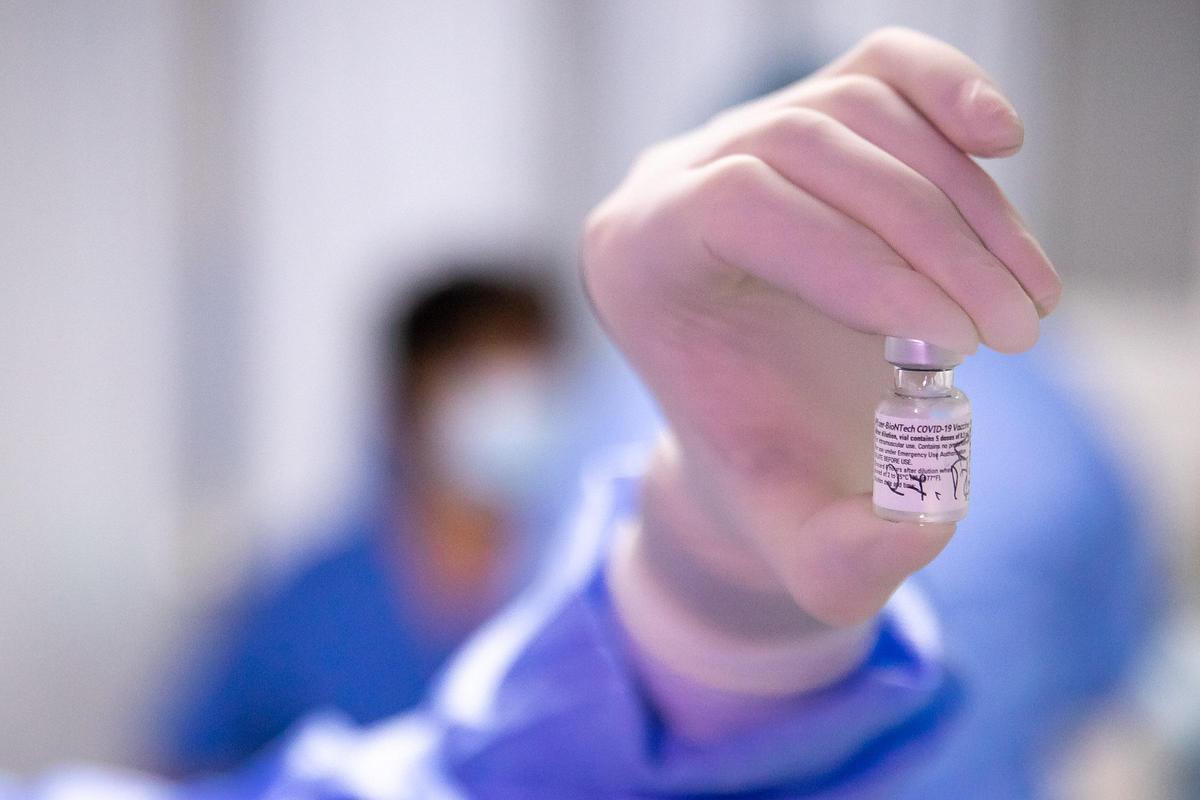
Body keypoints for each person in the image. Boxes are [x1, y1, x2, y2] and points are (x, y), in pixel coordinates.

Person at [1, 28, 1158, 799]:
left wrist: (722, 598)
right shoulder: (1060, 410)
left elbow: (503, 761)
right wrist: (728, 588)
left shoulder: (627, 413)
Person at [156, 269, 579, 775]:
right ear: (405, 398)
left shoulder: (586, 585)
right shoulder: (314, 602)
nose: (509, 410)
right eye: (479, 380)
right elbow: (185, 762)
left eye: (527, 381)